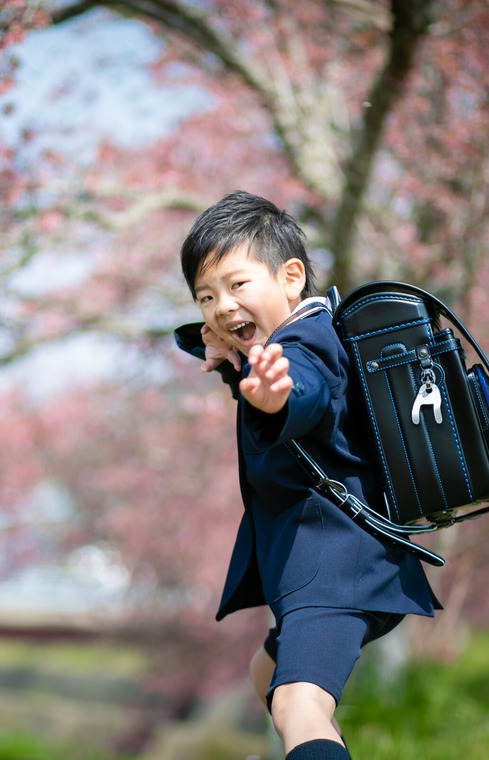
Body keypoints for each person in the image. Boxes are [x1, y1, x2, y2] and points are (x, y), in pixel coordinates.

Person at [174, 190, 439, 760]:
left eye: (237, 286)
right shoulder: (288, 340)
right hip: (342, 565)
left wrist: (277, 396)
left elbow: (308, 391)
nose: (221, 307)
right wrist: (240, 370)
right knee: (264, 673)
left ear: (291, 277)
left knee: (297, 703)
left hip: (334, 568)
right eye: (206, 296)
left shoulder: (304, 344)